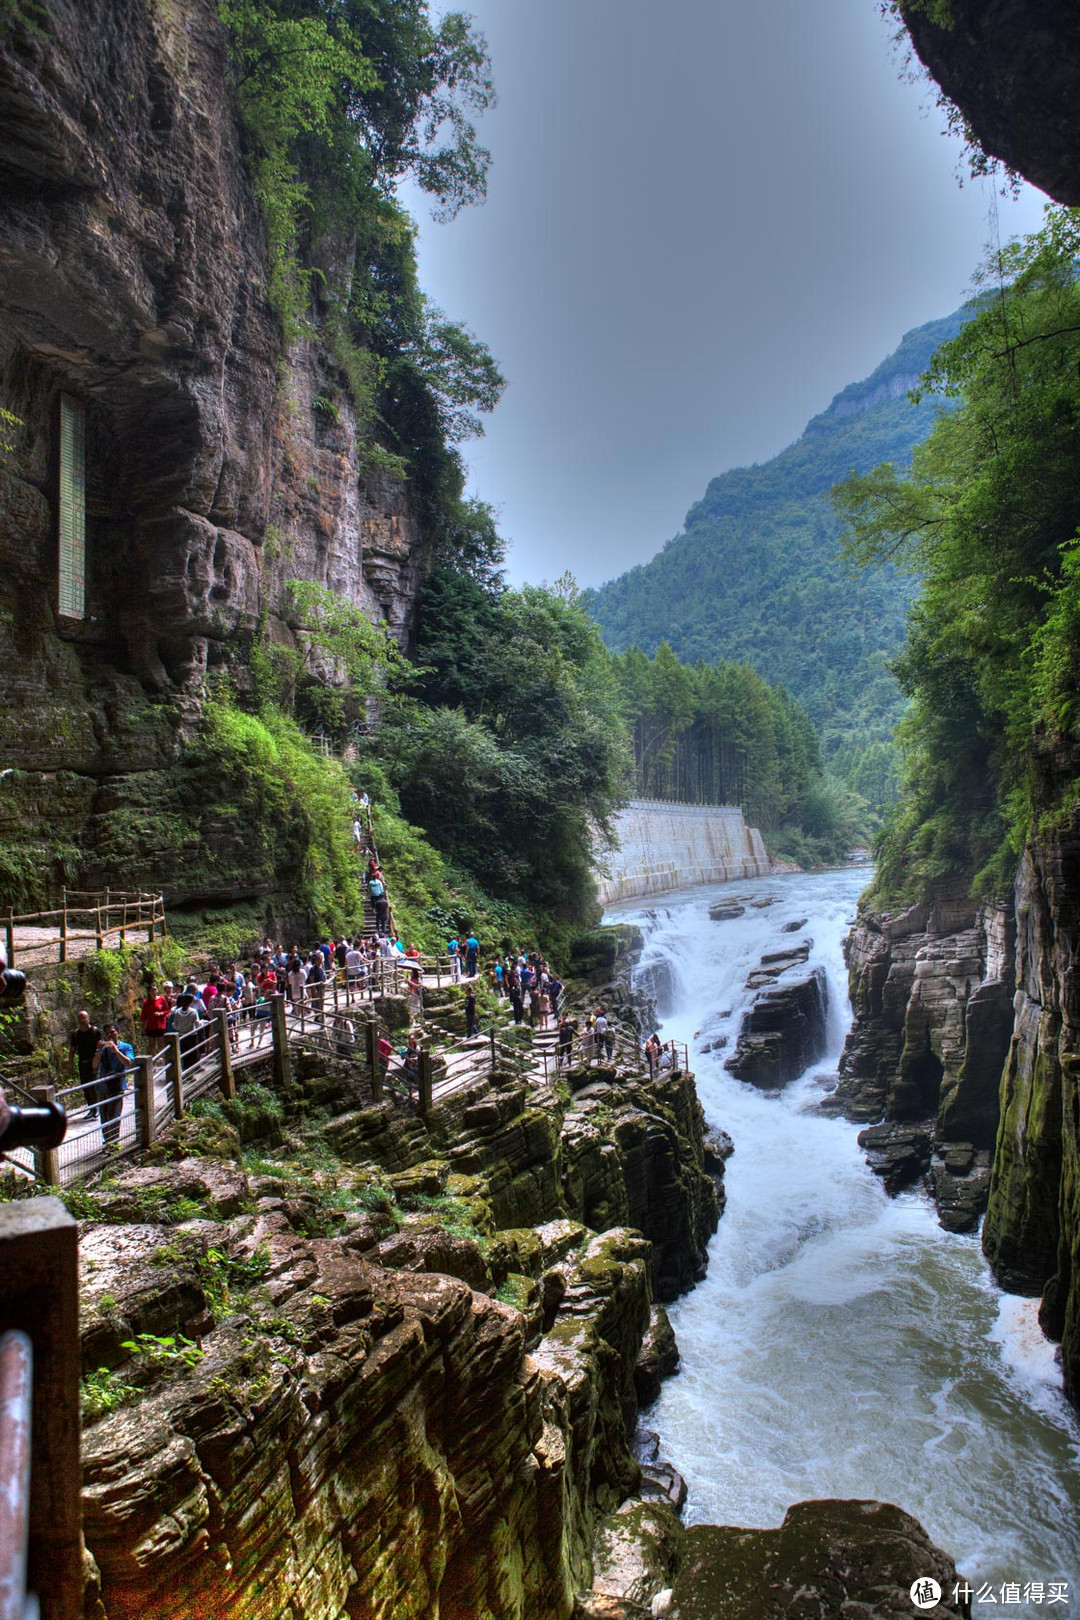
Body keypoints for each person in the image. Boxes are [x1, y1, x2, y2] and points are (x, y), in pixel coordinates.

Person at [91, 1024, 132, 1147]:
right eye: (107, 1033)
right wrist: (98, 1050)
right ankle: (107, 1142)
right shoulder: (103, 1049)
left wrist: (116, 1050)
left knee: (114, 1115)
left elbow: (128, 1062)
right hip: (102, 1086)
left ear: (118, 1032)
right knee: (104, 1117)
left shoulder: (126, 1047)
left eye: (113, 1032)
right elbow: (94, 1065)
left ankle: (114, 1142)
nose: (110, 1035)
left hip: (117, 1086)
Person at [69, 1009, 103, 1097]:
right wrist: (71, 1064)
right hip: (82, 1063)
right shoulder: (76, 1034)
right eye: (80, 1018)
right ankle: (91, 1108)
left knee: (93, 1085)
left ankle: (97, 1106)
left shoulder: (95, 1031)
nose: (82, 1020)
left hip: (94, 1063)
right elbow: (72, 1049)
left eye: (83, 1018)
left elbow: (101, 1046)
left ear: (88, 1018)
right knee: (85, 1086)